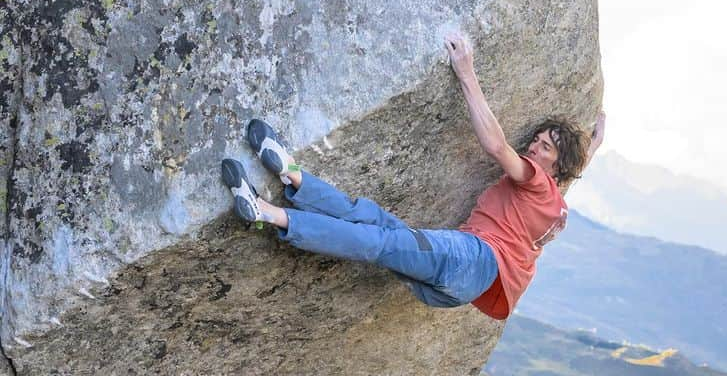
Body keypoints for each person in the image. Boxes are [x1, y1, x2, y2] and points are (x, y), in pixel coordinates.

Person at [220, 31, 604, 318]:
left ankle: (267, 213)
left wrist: (466, 72)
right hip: (458, 287)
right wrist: (592, 145)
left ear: (554, 166)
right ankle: (293, 177)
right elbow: (569, 172)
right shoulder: (555, 206)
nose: (533, 148)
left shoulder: (538, 180)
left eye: (545, 148)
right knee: (371, 218)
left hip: (473, 260)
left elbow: (497, 147)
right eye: (536, 140)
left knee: (377, 242)